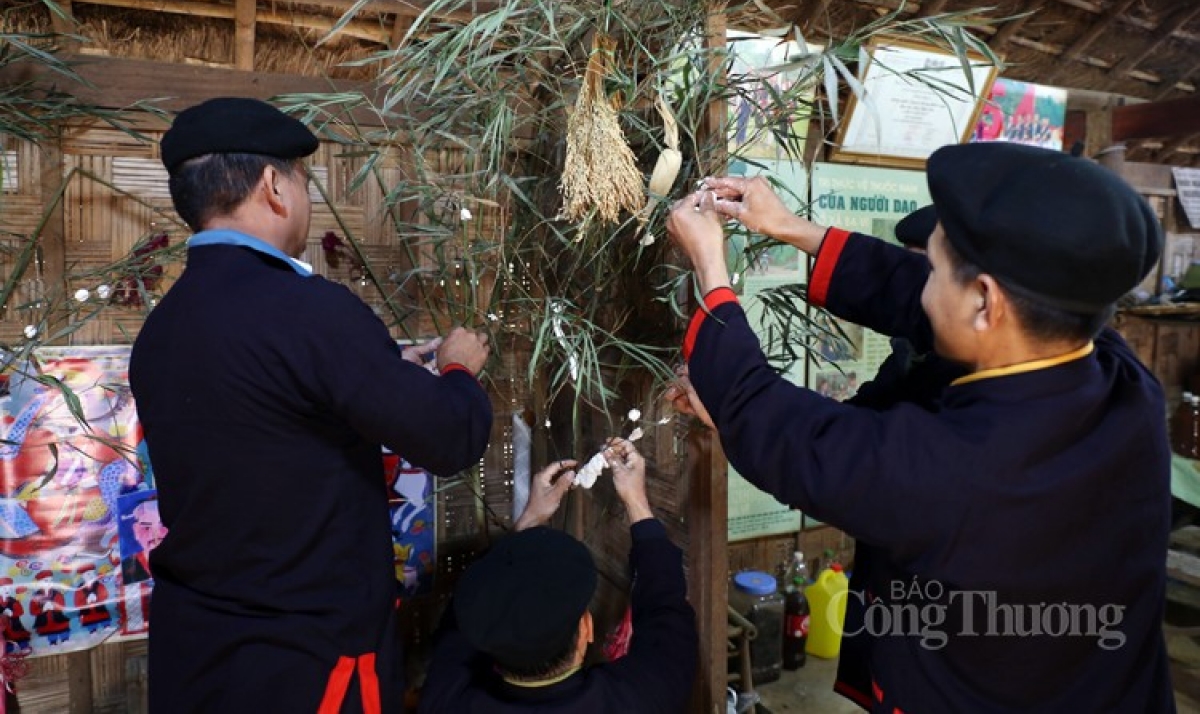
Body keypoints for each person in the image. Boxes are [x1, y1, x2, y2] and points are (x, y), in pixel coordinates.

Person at [666, 142, 1174, 711]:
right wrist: (794, 229)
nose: (923, 289)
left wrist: (713, 271)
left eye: (934, 270)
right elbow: (919, 296)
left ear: (986, 302)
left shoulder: (960, 470)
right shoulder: (1121, 377)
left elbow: (788, 435)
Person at [129, 97, 494, 714]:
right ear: (275, 186)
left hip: (198, 651)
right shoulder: (312, 312)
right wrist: (457, 367)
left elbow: (264, 423)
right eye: (302, 180)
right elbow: (451, 435)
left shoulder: (162, 330)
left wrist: (381, 373)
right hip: (307, 661)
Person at [419, 439, 698, 712]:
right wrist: (637, 503)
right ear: (585, 631)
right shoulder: (639, 698)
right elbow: (666, 613)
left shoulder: (445, 701)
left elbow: (462, 624)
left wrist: (529, 520)